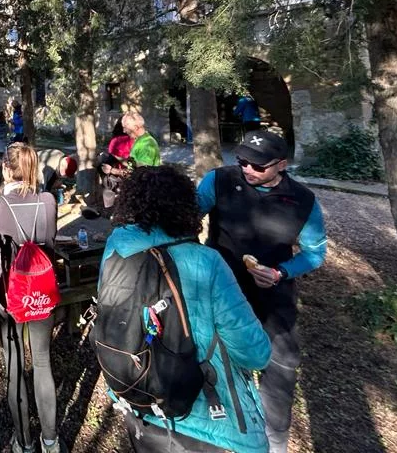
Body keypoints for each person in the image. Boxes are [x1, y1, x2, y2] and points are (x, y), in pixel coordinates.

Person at [102, 165, 272, 453]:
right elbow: (255, 353)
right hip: (207, 419)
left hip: (138, 397)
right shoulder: (207, 262)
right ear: (185, 207)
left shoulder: (116, 248)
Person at [197, 129, 327, 453]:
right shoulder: (219, 180)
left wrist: (282, 272)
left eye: (258, 165)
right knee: (217, 360)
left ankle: (275, 440)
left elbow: (315, 253)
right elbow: (184, 218)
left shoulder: (303, 200)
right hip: (222, 292)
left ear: (281, 165)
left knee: (281, 365)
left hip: (274, 295)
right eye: (242, 161)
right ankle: (221, 430)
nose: (247, 169)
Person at [0, 143, 62, 453]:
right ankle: (51, 441)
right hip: (42, 292)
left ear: (5, 169)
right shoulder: (48, 201)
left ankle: (24, 441)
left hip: (10, 293)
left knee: (15, 365)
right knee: (43, 363)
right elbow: (50, 243)